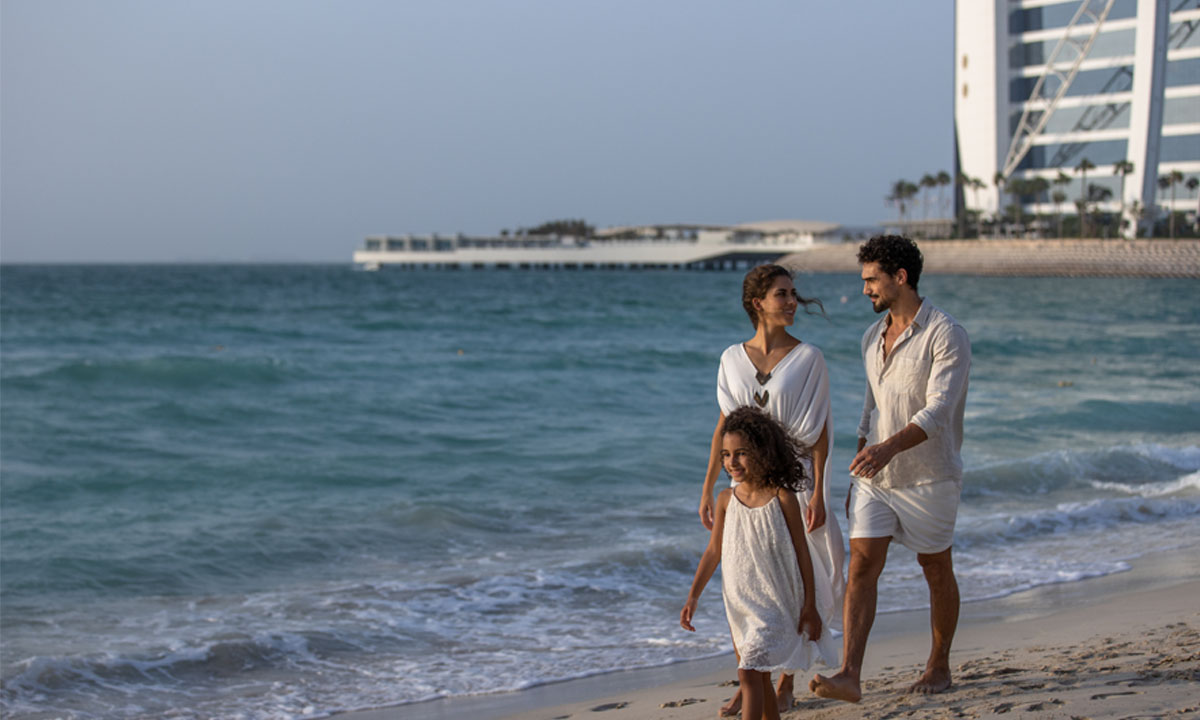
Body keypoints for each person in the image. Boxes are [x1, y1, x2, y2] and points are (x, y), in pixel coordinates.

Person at [810, 235, 971, 703]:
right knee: (862, 563)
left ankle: (939, 663)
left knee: (935, 567)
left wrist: (887, 450)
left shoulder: (946, 333)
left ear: (900, 278)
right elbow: (870, 406)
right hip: (876, 480)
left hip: (930, 475)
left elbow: (938, 410)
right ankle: (849, 674)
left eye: (871, 280)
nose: (865, 289)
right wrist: (863, 459)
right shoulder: (871, 336)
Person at [698, 264, 846, 715]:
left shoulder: (809, 358)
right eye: (782, 294)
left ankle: (782, 680)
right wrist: (708, 485)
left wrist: (819, 491)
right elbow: (725, 427)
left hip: (794, 482)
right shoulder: (730, 358)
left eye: (793, 294)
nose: (791, 302)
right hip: (744, 484)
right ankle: (751, 675)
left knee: (801, 579)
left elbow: (819, 432)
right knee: (744, 582)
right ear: (757, 303)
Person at [681, 406, 831, 720]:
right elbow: (713, 552)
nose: (731, 462)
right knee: (760, 677)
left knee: (749, 671)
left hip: (776, 601)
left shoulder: (783, 498)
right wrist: (693, 596)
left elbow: (803, 554)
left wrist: (810, 606)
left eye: (741, 453)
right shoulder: (725, 500)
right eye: (725, 454)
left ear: (762, 452)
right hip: (740, 604)